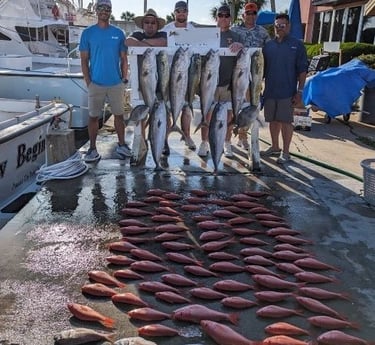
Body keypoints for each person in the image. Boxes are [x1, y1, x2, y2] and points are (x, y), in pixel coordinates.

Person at [79, 0, 130, 162]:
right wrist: (89, 81)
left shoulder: (119, 33)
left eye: (107, 8)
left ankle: (122, 145)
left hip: (116, 83)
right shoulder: (87, 33)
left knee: (119, 116)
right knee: (93, 117)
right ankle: (92, 149)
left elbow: (124, 59)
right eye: (100, 8)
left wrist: (124, 78)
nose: (104, 11)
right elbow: (84, 60)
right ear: (96, 10)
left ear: (110, 11)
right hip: (96, 83)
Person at [197, 4, 244, 158]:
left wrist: (241, 46)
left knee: (229, 115)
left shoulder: (236, 36)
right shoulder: (207, 35)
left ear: (230, 18)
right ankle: (204, 142)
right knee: (207, 114)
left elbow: (244, 54)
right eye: (220, 15)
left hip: (228, 82)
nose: (223, 18)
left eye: (226, 15)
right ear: (216, 17)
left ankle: (227, 142)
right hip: (208, 82)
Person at [261, 13, 308, 164]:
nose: (279, 28)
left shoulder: (297, 45)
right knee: (273, 121)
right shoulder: (268, 46)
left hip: (288, 92)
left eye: (282, 25)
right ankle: (275, 147)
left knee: (286, 122)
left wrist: (300, 92)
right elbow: (261, 70)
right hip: (270, 91)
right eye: (276, 26)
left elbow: (302, 71)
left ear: (288, 26)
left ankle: (286, 152)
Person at [231, 2, 270, 150]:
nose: (251, 16)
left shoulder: (263, 32)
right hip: (239, 73)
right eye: (248, 13)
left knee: (253, 105)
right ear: (243, 15)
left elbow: (269, 50)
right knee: (236, 105)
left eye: (254, 13)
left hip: (256, 75)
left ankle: (242, 135)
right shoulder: (234, 30)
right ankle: (236, 136)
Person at [163, 0, 196, 151]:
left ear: (187, 13)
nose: (181, 13)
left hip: (188, 74)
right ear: (174, 13)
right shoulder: (166, 29)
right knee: (168, 107)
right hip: (170, 76)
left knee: (187, 107)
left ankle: (187, 135)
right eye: (178, 11)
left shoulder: (193, 30)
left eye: (184, 10)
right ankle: (165, 139)